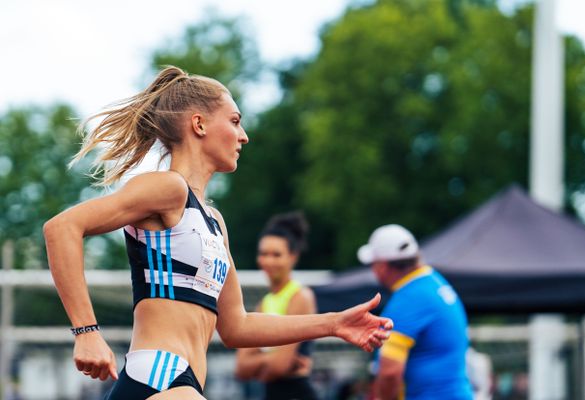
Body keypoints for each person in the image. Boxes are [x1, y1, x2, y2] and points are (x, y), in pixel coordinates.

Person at [43, 66, 393, 400]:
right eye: (235, 121)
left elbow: (237, 326)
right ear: (199, 124)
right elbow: (61, 228)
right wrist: (86, 332)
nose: (244, 135)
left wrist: (333, 324)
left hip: (184, 380)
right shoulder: (168, 188)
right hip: (158, 374)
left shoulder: (213, 221)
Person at [357, 224, 473, 400]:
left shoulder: (408, 299)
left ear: (382, 266)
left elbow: (389, 372)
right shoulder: (435, 283)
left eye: (372, 264)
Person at [235, 211, 319, 400]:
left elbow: (278, 366)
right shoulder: (263, 304)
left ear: (293, 257)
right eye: (264, 254)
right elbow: (241, 368)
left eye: (276, 254)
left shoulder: (300, 297)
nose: (269, 261)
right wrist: (272, 362)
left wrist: (260, 364)